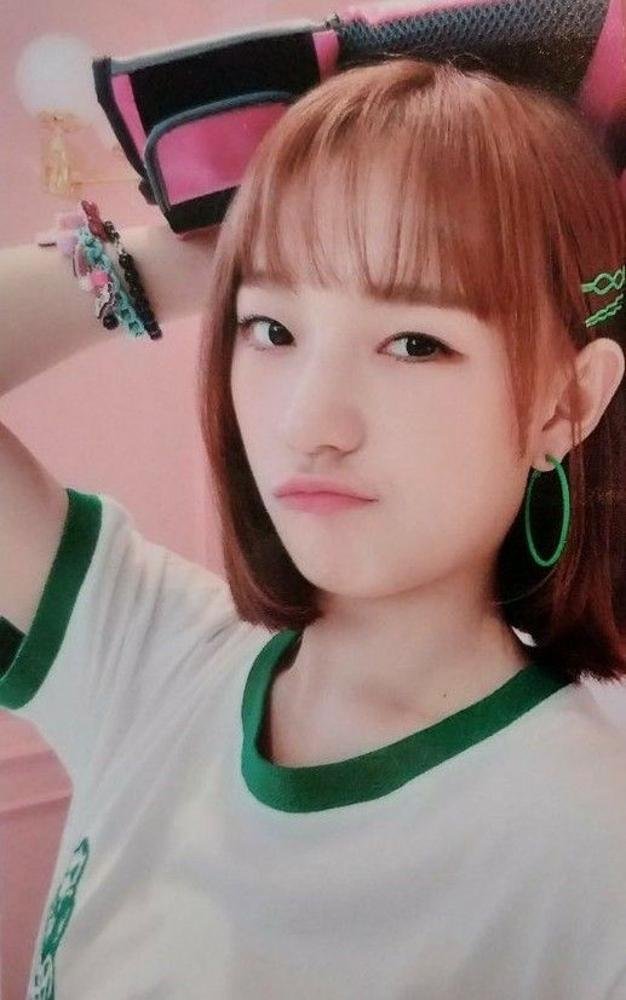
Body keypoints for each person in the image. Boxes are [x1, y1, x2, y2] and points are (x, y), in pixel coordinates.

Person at [1, 55, 626, 999]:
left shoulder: (591, 856)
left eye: (414, 342)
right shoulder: (147, 653)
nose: (308, 423)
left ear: (564, 404)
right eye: (272, 331)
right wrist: (220, 252)